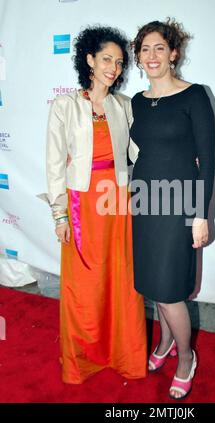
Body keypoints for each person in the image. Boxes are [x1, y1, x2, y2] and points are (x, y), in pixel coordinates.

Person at [44, 25, 147, 383]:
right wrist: (59, 215)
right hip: (82, 206)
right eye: (107, 59)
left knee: (121, 282)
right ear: (89, 59)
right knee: (84, 286)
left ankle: (125, 355)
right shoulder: (65, 106)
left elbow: (138, 153)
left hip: (117, 204)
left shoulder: (124, 106)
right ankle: (82, 360)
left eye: (119, 62)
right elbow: (55, 164)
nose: (114, 68)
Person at [130, 18, 215, 399]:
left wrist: (201, 214)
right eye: (145, 49)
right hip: (143, 202)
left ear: (174, 53)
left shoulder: (195, 96)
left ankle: (185, 359)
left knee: (169, 292)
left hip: (179, 204)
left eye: (159, 48)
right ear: (138, 57)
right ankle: (163, 345)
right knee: (153, 287)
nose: (152, 56)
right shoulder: (136, 101)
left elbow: (208, 161)